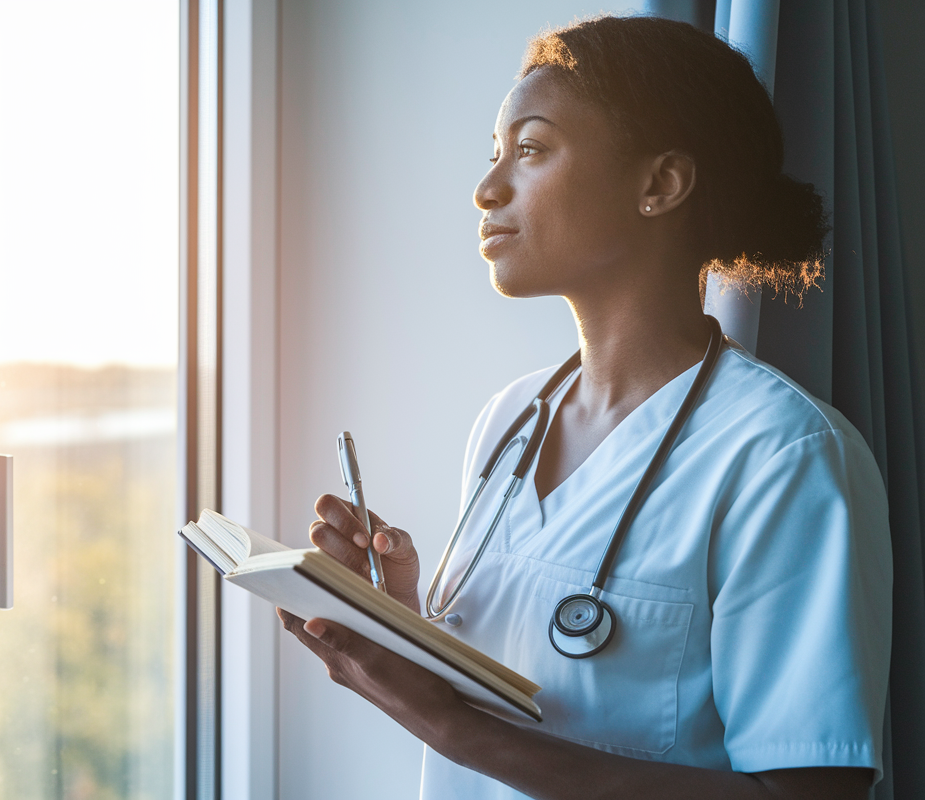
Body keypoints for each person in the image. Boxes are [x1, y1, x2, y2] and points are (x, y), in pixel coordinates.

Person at [278, 14, 892, 800]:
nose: (487, 188)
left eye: (530, 149)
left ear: (659, 184)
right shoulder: (509, 421)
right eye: (493, 153)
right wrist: (397, 625)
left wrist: (455, 728)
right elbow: (537, 684)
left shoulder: (785, 456)